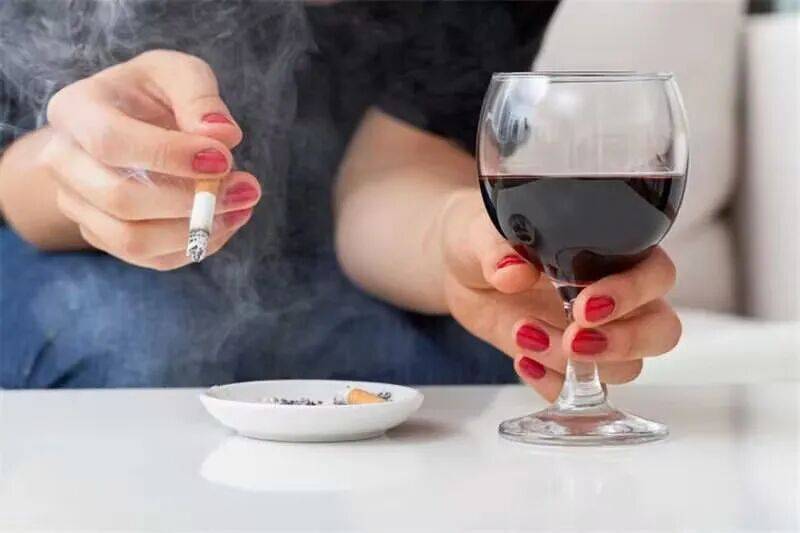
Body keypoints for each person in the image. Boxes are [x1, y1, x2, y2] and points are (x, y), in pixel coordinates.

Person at [0, 0, 680, 399]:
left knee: (456, 362)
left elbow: (398, 160)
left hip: (353, 256)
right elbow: (14, 179)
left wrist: (457, 239)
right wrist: (84, 170)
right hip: (57, 238)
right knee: (141, 348)